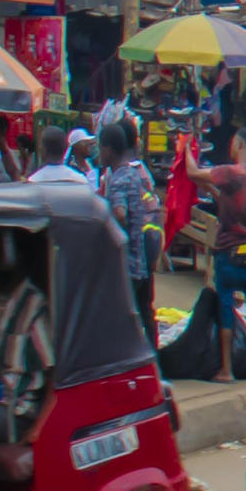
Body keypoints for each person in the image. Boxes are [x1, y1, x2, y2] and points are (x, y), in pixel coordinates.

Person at [198, 128, 246, 380]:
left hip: (227, 252)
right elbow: (235, 204)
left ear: (239, 145)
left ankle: (227, 370)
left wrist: (185, 148)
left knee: (225, 308)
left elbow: (191, 172)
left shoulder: (231, 172)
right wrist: (216, 193)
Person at [95, 118, 161, 335]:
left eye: (101, 149)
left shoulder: (119, 179)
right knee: (144, 315)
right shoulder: (135, 175)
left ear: (109, 149)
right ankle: (153, 363)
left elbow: (120, 214)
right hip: (140, 263)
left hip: (126, 266)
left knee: (117, 324)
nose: (99, 154)